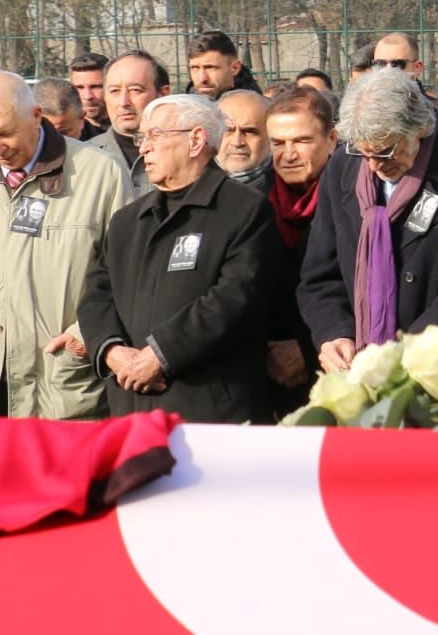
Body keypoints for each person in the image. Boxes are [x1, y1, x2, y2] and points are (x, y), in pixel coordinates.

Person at [77, 94, 284, 423]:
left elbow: (234, 300)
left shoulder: (244, 210)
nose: (143, 147)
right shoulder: (128, 220)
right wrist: (114, 353)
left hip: (210, 411)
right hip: (131, 407)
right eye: (141, 138)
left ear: (196, 140)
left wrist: (159, 355)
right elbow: (96, 295)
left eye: (154, 136)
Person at [297, 68, 438, 373]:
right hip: (357, 368)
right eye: (364, 152)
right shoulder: (344, 165)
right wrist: (334, 333)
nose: (373, 166)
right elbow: (320, 275)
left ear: (420, 129)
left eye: (385, 152)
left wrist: (410, 349)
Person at [0, 71, 131, 420]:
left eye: (6, 133)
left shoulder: (100, 174)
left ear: (36, 116)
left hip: (63, 386)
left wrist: (85, 335)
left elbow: (126, 270)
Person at [262, 85, 334, 416]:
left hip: (333, 370)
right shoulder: (252, 203)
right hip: (264, 373)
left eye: (302, 141)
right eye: (278, 143)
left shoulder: (360, 201)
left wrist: (306, 349)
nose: (288, 154)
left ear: (331, 140)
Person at [87, 49, 169, 192]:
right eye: (114, 91)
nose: (124, 102)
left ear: (162, 94)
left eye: (135, 90)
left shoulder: (186, 154)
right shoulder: (84, 158)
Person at [214, 89, 272, 191]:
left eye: (249, 131)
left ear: (270, 137)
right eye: (228, 130)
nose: (237, 142)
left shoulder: (285, 193)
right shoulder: (190, 184)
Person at [187, 29, 261, 99]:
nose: (202, 78)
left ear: (235, 68)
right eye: (195, 68)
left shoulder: (256, 109)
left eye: (210, 67)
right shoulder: (184, 107)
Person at [69, 52, 110, 139]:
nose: (88, 96)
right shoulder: (65, 133)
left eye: (96, 87)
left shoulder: (130, 130)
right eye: (79, 88)